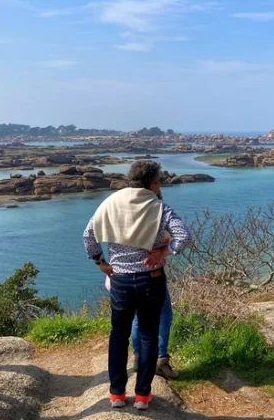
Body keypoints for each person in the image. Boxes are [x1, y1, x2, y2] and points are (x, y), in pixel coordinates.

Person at [84, 160, 191, 410]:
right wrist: (164, 251)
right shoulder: (159, 207)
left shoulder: (110, 202)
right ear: (153, 184)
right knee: (148, 335)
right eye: (159, 181)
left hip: (119, 280)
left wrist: (101, 262)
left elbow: (88, 235)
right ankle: (142, 395)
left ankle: (117, 394)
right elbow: (183, 237)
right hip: (150, 278)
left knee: (118, 335)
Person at [131, 286, 177, 379]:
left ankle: (138, 360)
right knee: (164, 316)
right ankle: (161, 363)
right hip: (150, 281)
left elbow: (107, 270)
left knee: (137, 317)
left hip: (125, 282)